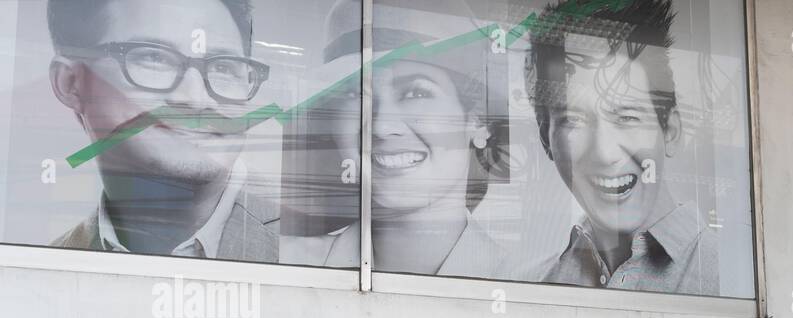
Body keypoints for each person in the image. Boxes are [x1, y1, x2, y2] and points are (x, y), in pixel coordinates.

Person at [281, 0, 506, 275]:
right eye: (357, 94)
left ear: (478, 121)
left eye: (416, 93)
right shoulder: (282, 264)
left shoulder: (525, 281)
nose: (382, 126)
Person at [46, 0, 278, 260]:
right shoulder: (50, 267)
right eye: (153, 57)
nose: (195, 99)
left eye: (223, 67)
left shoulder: (317, 251)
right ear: (70, 83)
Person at [525, 0, 719, 294]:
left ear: (670, 130)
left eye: (627, 116)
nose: (605, 153)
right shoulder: (535, 285)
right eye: (573, 121)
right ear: (545, 139)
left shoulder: (725, 273)